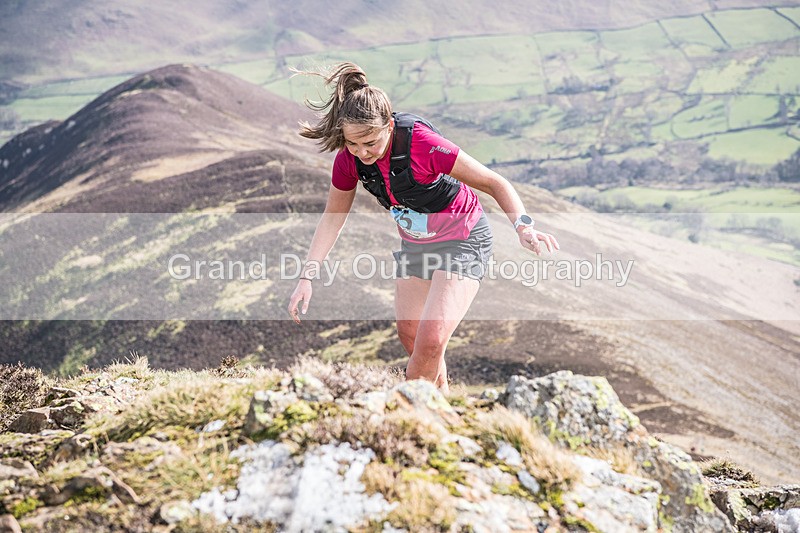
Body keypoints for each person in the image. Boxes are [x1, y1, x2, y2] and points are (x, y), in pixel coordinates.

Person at [287, 62, 559, 394]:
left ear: (388, 125)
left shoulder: (423, 144)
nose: (362, 153)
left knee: (431, 340)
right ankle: (441, 403)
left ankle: (407, 412)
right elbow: (333, 217)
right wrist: (307, 277)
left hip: (463, 239)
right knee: (411, 335)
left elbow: (495, 183)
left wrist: (523, 227)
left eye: (370, 142)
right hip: (416, 245)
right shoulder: (349, 160)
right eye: (353, 144)